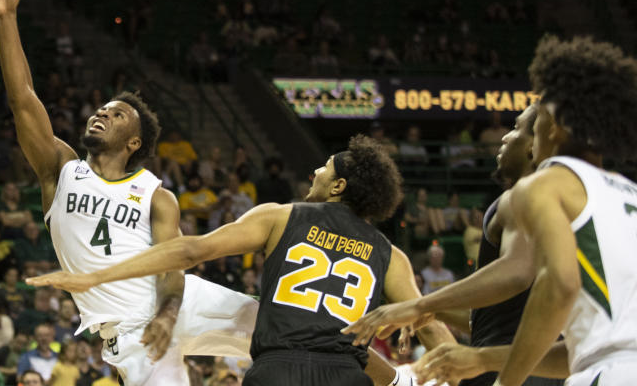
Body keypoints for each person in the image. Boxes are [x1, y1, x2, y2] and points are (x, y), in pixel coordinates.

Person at [0, 0, 259, 385]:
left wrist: (167, 314)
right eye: (101, 109)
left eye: (117, 114)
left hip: (177, 302)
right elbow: (23, 98)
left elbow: (171, 267)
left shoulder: (157, 195)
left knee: (294, 329)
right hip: (130, 332)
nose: (101, 113)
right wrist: (6, 17)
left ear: (134, 142)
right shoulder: (60, 169)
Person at [28, 134, 455, 386]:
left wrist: (101, 275)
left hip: (278, 369)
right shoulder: (390, 254)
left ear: (339, 185)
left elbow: (191, 250)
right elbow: (433, 325)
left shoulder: (281, 215)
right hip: (344, 374)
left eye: (324, 169)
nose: (315, 173)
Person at [413, 36, 637, 386]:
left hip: (595, 371)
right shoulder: (625, 194)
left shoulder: (545, 188)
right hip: (580, 360)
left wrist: (505, 378)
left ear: (555, 126)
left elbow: (539, 278)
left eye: (528, 125)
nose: (512, 136)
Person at [345, 103, 563, 386]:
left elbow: (516, 273)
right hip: (545, 367)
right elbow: (499, 316)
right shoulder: (561, 205)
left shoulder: (519, 198)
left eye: (516, 128)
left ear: (534, 144)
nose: (505, 137)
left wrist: (422, 303)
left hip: (510, 370)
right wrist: (432, 309)